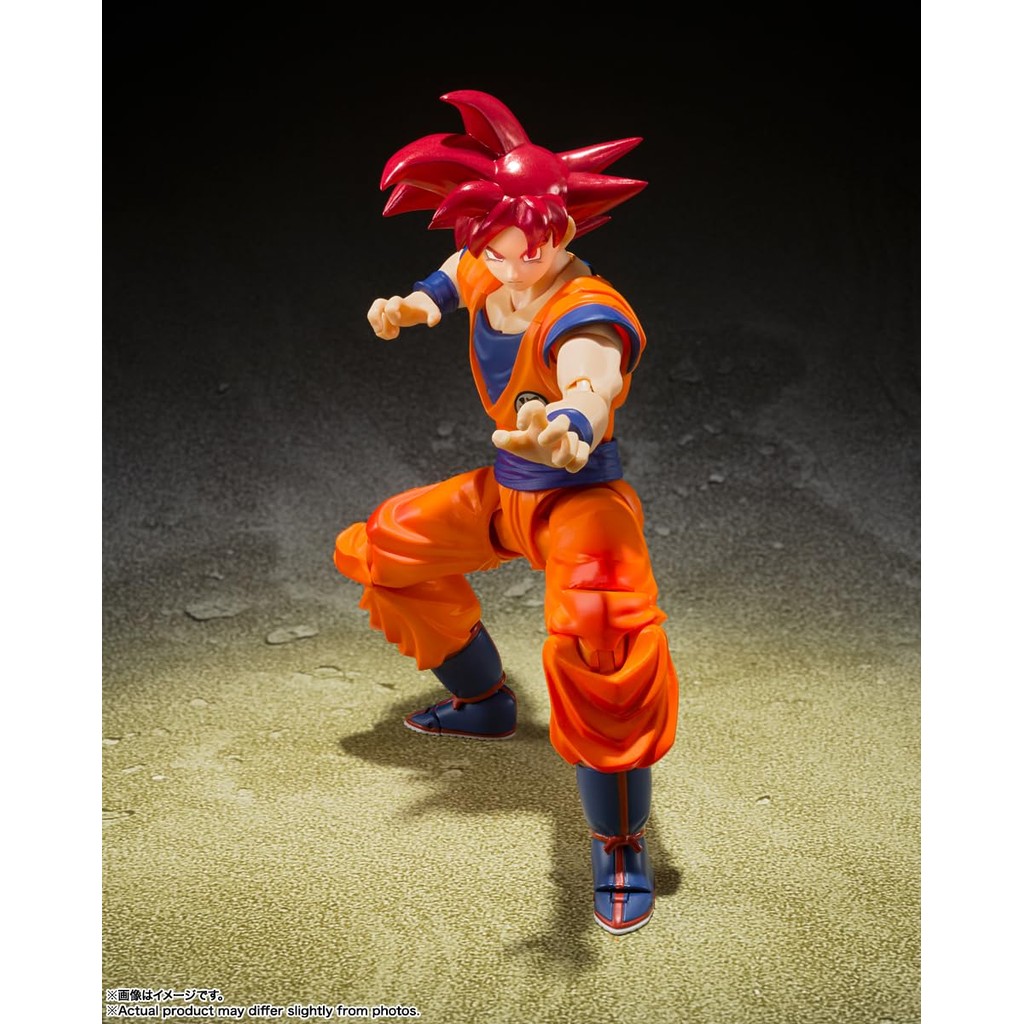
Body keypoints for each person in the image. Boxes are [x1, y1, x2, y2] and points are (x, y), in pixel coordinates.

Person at [334, 91, 679, 935]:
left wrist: (573, 422)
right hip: (509, 490)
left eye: (529, 248)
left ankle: (621, 844)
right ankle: (485, 702)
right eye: (494, 245)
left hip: (583, 502)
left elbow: (594, 377)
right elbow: (451, 278)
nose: (512, 263)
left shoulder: (585, 309)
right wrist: (410, 307)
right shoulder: (489, 259)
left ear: (563, 229)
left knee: (604, 635)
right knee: (386, 547)